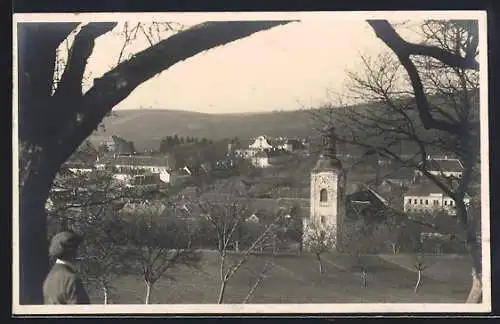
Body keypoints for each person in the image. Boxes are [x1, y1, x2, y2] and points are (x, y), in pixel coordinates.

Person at [43, 231, 90, 304]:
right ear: (72, 251)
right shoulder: (71, 279)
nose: (81, 251)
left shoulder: (49, 278)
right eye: (78, 247)